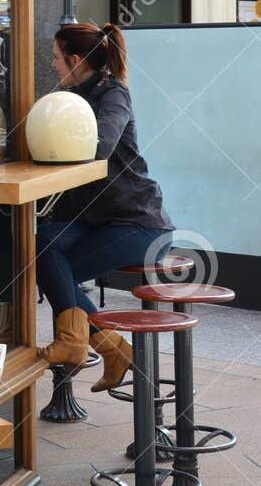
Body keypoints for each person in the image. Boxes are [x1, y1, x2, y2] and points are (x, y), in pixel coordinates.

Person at [37, 22, 173, 390]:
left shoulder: (114, 94)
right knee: (41, 245)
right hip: (97, 220)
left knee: (55, 270)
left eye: (56, 57)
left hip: (139, 223)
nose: (53, 65)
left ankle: (78, 343)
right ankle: (111, 348)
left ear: (76, 60)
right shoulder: (71, 95)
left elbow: (101, 146)